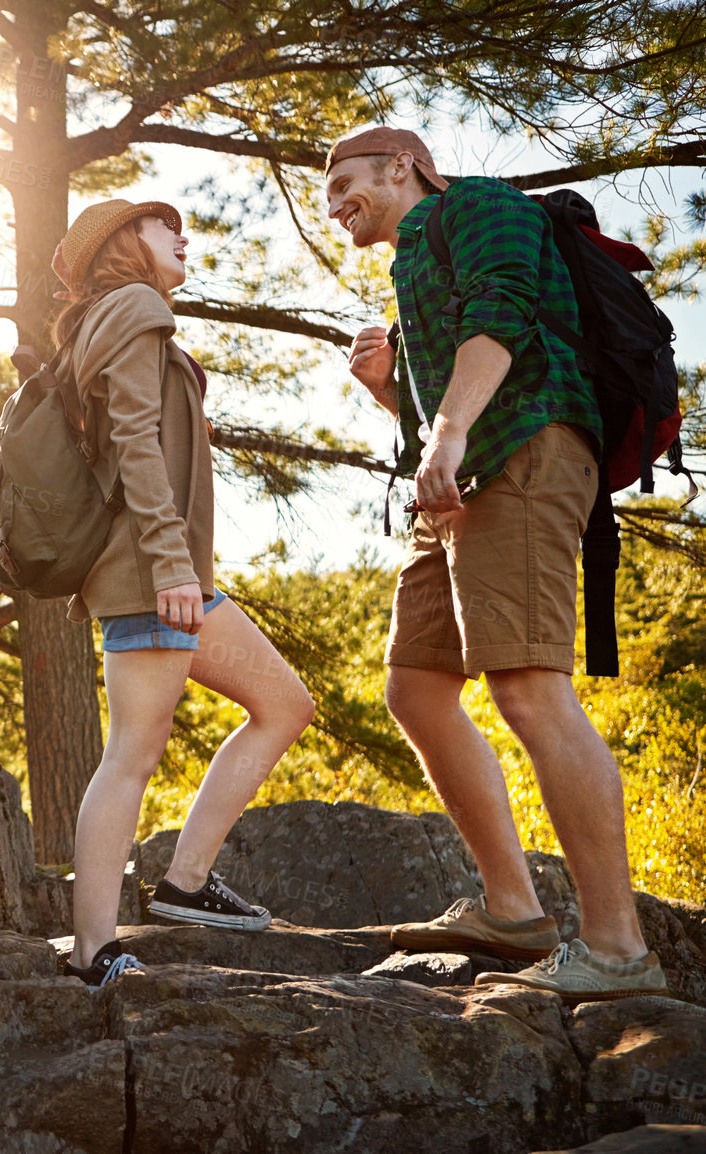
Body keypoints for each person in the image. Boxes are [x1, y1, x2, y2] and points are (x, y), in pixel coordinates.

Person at [325, 126, 667, 1003]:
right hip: (457, 488)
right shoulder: (410, 262)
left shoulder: (478, 204)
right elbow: (454, 388)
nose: (334, 205)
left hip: (525, 451)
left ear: (402, 165)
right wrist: (394, 395)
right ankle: (513, 910)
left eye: (345, 182)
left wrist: (442, 430)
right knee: (417, 686)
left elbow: (505, 309)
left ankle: (619, 950)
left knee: (525, 685)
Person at [54, 200, 318, 988]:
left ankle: (186, 882)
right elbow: (134, 438)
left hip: (174, 573)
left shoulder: (116, 317)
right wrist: (170, 563)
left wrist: (181, 568)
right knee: (132, 754)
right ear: (123, 245)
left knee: (284, 703)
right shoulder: (132, 308)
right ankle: (90, 951)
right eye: (163, 225)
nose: (184, 235)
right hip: (150, 572)